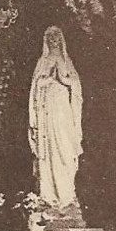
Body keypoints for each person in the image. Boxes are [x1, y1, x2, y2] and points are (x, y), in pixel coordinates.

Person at [28, 26, 83, 213]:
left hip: (63, 112)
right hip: (47, 113)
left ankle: (67, 195)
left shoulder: (68, 62)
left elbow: (75, 86)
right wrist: (47, 81)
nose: (54, 42)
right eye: (50, 39)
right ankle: (49, 196)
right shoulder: (42, 62)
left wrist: (64, 79)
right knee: (49, 150)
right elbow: (35, 87)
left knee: (65, 149)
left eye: (57, 39)